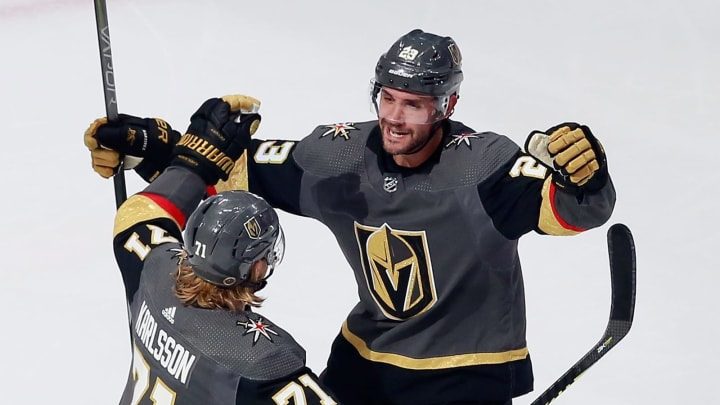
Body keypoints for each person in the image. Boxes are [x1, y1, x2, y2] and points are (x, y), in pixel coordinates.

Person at [84, 29, 616, 405]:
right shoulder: (340, 156)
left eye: (412, 104)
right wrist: (153, 147)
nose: (394, 116)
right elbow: (237, 166)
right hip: (366, 364)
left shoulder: (483, 167)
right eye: (388, 97)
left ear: (446, 105)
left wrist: (585, 178)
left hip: (464, 380)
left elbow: (573, 210)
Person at [89, 95, 340, 404]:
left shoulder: (153, 269)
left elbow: (138, 212)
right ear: (256, 267)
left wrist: (189, 165)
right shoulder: (262, 362)